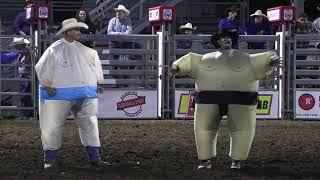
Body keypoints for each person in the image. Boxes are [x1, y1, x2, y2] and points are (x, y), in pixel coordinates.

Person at [171, 29, 280, 170]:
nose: (227, 39)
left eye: (228, 37)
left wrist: (271, 62)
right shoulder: (205, 59)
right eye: (223, 37)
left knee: (242, 130)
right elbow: (189, 61)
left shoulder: (246, 58)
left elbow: (265, 59)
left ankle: (237, 160)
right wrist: (177, 67)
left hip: (239, 99)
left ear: (232, 40)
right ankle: (205, 161)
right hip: (210, 99)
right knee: (204, 130)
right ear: (218, 41)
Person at [35, 18, 108, 170]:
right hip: (63, 93)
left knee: (88, 124)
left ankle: (95, 157)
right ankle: (50, 160)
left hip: (77, 92)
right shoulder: (55, 49)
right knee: (53, 125)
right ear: (68, 31)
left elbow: (94, 60)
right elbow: (41, 66)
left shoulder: (83, 49)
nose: (78, 32)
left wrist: (99, 81)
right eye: (76, 29)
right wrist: (46, 84)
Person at [9, 37, 34, 119]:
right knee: (24, 95)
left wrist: (28, 73)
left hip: (26, 75)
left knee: (25, 95)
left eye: (16, 45)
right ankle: (25, 113)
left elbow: (29, 65)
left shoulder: (27, 53)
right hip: (23, 75)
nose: (15, 47)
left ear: (21, 45)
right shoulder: (22, 53)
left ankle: (28, 114)